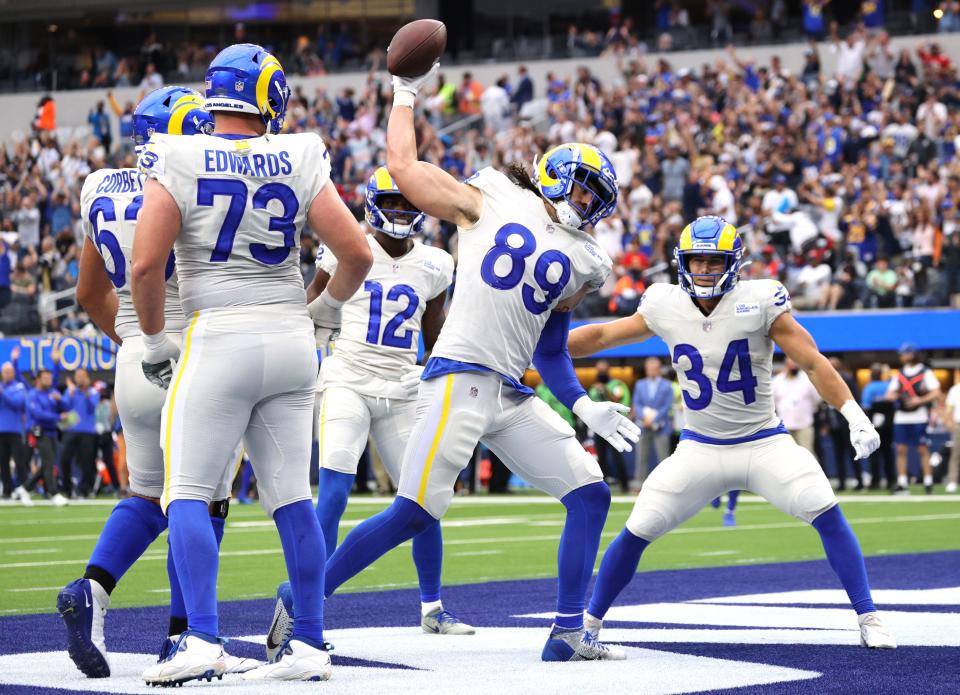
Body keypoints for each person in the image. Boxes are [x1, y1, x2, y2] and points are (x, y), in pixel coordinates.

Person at [320, 60, 639, 663]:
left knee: (591, 495)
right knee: (413, 513)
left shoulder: (588, 259)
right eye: (578, 186)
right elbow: (406, 170)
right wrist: (405, 94)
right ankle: (302, 599)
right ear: (554, 175)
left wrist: (582, 404)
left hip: (511, 395)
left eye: (594, 198)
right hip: (460, 377)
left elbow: (550, 344)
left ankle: (568, 630)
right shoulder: (493, 194)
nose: (582, 201)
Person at [132, 45, 372, 684]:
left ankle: (202, 639)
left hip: (218, 336)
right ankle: (312, 644)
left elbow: (144, 266)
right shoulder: (300, 153)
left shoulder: (176, 153)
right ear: (270, 94)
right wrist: (325, 311)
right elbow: (356, 254)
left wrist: (155, 341)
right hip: (292, 338)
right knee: (293, 497)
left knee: (184, 491)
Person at [567, 215, 896, 650]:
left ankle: (868, 616)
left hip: (764, 441)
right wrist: (532, 344)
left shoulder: (760, 300)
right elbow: (604, 335)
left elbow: (812, 360)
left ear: (734, 262)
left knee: (824, 507)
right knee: (639, 526)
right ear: (682, 263)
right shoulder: (665, 304)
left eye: (713, 261)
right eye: (696, 262)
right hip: (699, 449)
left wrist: (853, 412)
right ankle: (587, 628)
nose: (703, 270)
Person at [57, 86, 256, 681]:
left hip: (134, 361)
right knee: (202, 500)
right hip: (192, 358)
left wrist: (134, 345)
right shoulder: (192, 180)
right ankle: (184, 636)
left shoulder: (98, 186)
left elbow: (90, 294)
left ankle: (93, 588)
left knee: (147, 497)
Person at [266, 167, 469, 656]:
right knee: (333, 492)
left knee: (424, 502)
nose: (400, 212)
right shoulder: (346, 248)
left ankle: (432, 608)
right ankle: (308, 609)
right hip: (348, 379)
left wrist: (448, 377)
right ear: (373, 206)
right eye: (392, 203)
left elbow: (435, 331)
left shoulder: (437, 264)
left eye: (407, 204)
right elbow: (311, 304)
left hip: (403, 386)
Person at [886, 343, 941, 494]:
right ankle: (902, 482)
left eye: (905, 353)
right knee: (901, 449)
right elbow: (889, 394)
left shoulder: (925, 372)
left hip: (919, 416)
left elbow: (936, 392)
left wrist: (919, 400)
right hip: (902, 417)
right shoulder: (900, 374)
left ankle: (928, 481)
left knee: (922, 448)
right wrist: (900, 396)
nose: (902, 356)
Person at [588, 360, 631, 492]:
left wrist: (604, 391)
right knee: (601, 457)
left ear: (608, 370)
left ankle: (624, 485)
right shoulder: (593, 388)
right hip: (598, 426)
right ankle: (603, 486)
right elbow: (590, 406)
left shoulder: (617, 385)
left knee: (617, 455)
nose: (601, 373)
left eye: (603, 370)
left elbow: (620, 402)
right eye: (599, 370)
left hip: (614, 426)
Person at [58, 369, 100, 498]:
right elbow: (64, 407)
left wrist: (85, 392)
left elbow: (91, 408)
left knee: (86, 462)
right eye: (78, 376)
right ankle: (68, 489)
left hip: (87, 431)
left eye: (82, 376)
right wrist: (70, 394)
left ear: (87, 378)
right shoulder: (70, 391)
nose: (80, 379)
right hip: (71, 430)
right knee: (64, 459)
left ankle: (84, 489)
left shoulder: (92, 392)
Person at [631, 356, 673, 484]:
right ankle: (639, 482)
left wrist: (655, 418)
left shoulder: (667, 385)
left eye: (654, 368)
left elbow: (667, 405)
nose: (651, 370)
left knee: (663, 457)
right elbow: (636, 403)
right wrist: (645, 417)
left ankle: (666, 483)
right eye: (649, 368)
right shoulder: (640, 384)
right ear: (646, 369)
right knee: (641, 457)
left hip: (661, 426)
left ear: (659, 369)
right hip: (643, 425)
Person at [772, 357, 821, 454]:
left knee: (808, 453)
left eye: (795, 363)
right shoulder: (777, 381)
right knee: (788, 455)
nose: (793, 366)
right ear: (786, 365)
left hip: (805, 424)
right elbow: (773, 402)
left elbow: (817, 399)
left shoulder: (807, 379)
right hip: (785, 425)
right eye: (790, 363)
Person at [0, 346, 30, 504]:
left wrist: (3, 394)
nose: (7, 374)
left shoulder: (18, 386)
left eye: (9, 371)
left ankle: (23, 488)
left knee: (20, 461)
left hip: (15, 430)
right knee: (3, 462)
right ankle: (7, 490)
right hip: (1, 430)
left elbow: (19, 404)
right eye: (4, 371)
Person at [862, 363, 895, 490]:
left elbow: (866, 407)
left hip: (874, 425)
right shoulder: (888, 386)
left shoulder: (869, 388)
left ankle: (875, 482)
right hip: (888, 424)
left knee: (874, 453)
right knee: (887, 453)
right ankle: (890, 480)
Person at [945, 378, 960, 493]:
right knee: (956, 454)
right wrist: (948, 422)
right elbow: (949, 408)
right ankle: (952, 481)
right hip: (958, 424)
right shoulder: (955, 390)